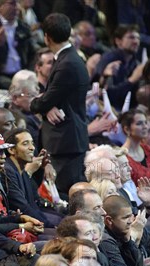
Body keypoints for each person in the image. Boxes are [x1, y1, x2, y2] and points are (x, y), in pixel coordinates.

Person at [29, 13, 89, 196]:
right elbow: (53, 98)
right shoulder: (68, 58)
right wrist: (48, 105)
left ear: (47, 37)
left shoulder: (67, 63)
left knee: (65, 193)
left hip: (66, 140)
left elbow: (47, 99)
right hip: (66, 139)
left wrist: (37, 103)